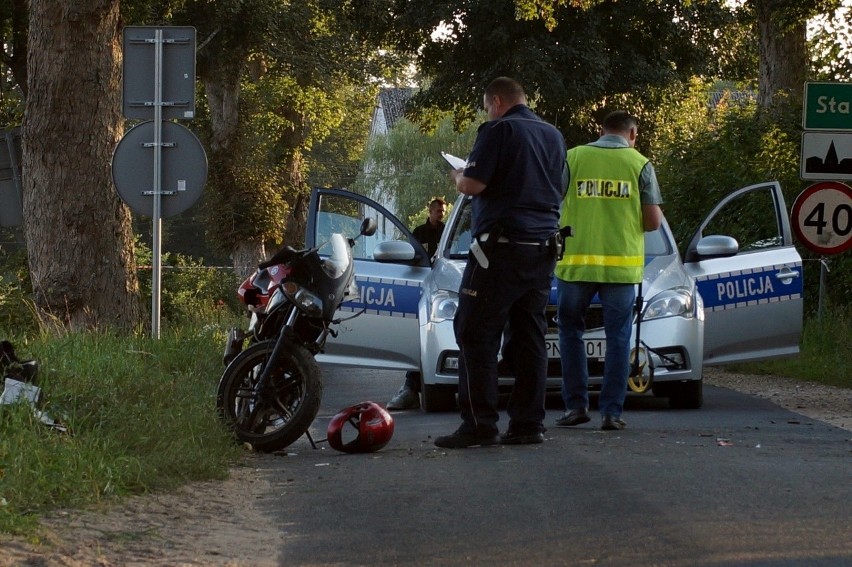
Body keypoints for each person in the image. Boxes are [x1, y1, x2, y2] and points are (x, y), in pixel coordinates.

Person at [434, 77, 566, 448]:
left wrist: (459, 174)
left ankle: (479, 424)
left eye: (487, 106)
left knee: (475, 333)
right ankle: (528, 424)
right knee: (529, 337)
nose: (487, 112)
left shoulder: (498, 130)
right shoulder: (553, 135)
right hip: (542, 249)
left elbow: (472, 185)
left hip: (499, 251)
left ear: (496, 101)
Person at [554, 110, 663, 431]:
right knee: (618, 338)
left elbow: (551, 200)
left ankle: (575, 407)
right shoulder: (639, 164)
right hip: (620, 271)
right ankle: (612, 413)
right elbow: (653, 221)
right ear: (633, 134)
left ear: (601, 131)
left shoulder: (573, 158)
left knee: (570, 332)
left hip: (575, 266)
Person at [387, 198, 447, 411]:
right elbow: (411, 256)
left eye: (443, 210)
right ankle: (411, 387)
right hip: (421, 284)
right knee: (421, 337)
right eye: (438, 210)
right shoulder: (419, 232)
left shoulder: (447, 231)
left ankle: (412, 387)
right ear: (429, 211)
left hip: (443, 285)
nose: (441, 214)